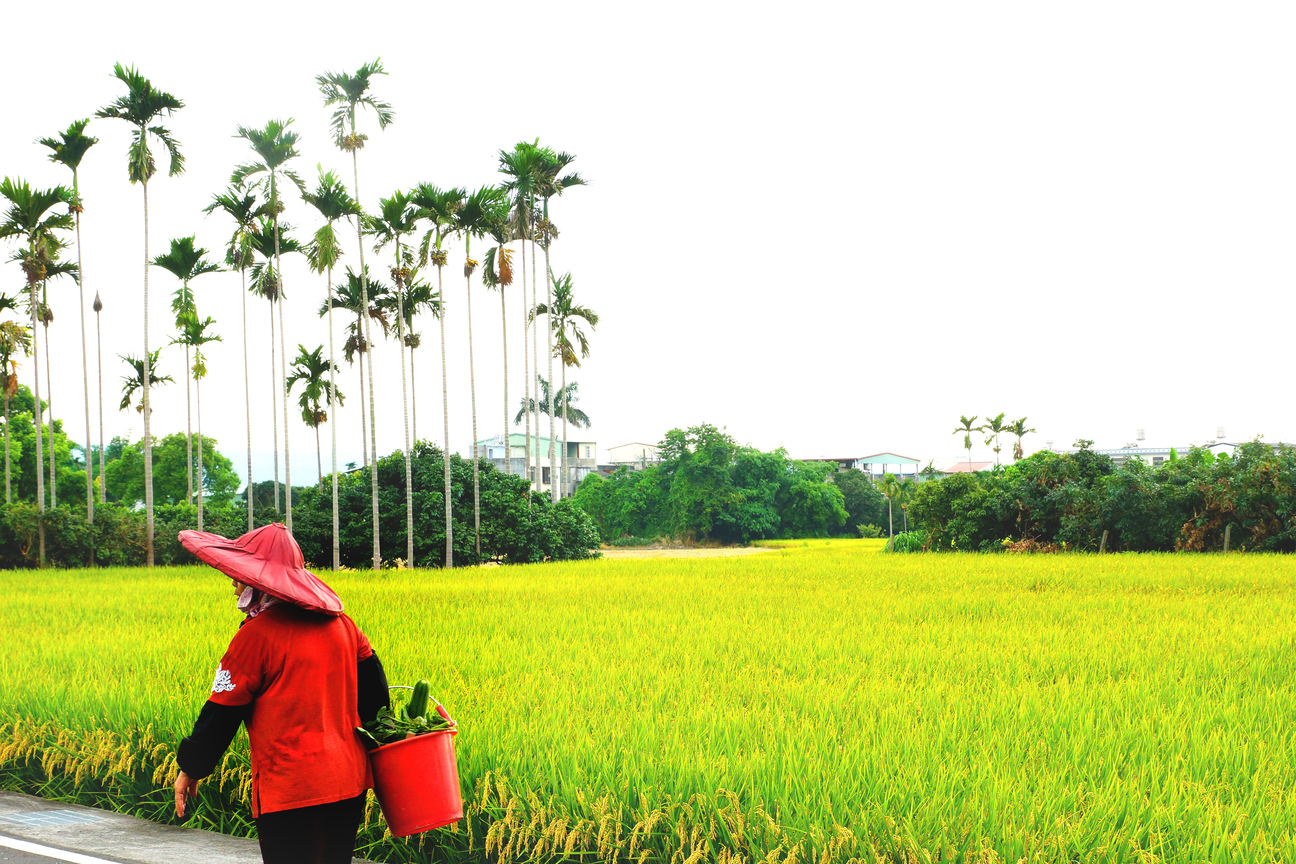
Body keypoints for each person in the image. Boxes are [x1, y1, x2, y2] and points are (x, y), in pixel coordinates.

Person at [170, 523, 390, 864]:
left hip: (291, 788)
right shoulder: (344, 626)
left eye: (239, 577)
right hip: (348, 782)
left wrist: (192, 767)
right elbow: (377, 699)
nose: (233, 585)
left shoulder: (255, 636)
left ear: (261, 584)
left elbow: (222, 712)